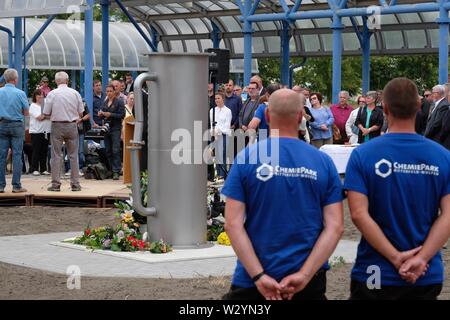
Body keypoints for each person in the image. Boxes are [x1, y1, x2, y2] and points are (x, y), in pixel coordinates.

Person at [221, 89, 344, 300]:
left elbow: (232, 224)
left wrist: (259, 276)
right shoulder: (323, 162)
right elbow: (336, 226)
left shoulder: (247, 158)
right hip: (309, 280)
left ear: (267, 116)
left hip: (253, 280)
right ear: (300, 117)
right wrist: (305, 275)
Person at [344, 77, 450, 300]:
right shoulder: (442, 156)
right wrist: (422, 258)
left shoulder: (363, 154)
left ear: (386, 108)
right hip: (425, 272)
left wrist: (394, 257)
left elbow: (358, 214)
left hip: (374, 271)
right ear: (419, 107)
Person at [43, 71, 84, 192]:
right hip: (72, 125)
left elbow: (46, 113)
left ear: (56, 81)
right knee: (73, 155)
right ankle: (75, 184)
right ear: (67, 81)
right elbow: (81, 112)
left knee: (56, 155)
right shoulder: (75, 93)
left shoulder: (52, 94)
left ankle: (55, 184)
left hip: (57, 126)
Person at [0, 69, 29, 193]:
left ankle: (1, 186)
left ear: (5, 79)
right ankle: (16, 186)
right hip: (17, 125)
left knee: (1, 156)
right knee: (17, 155)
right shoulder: (20, 93)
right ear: (15, 79)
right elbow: (26, 112)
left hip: (2, 124)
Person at [99, 84, 125, 180]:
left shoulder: (119, 102)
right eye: (107, 91)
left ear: (114, 92)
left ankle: (116, 171)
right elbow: (101, 115)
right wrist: (101, 114)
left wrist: (111, 114)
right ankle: (110, 169)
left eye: (111, 91)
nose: (109, 93)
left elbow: (122, 115)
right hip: (107, 129)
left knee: (116, 150)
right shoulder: (105, 102)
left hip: (115, 128)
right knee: (108, 150)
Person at [29, 89, 51, 176]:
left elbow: (51, 116)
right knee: (36, 150)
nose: (41, 97)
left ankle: (43, 169)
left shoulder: (45, 106)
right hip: (36, 132)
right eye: (38, 95)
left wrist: (45, 116)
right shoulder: (33, 106)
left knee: (44, 151)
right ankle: (34, 168)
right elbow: (39, 117)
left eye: (42, 95)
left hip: (46, 131)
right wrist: (46, 116)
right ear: (35, 97)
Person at [210, 92, 232, 179]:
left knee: (222, 155)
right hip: (214, 135)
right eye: (215, 99)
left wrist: (219, 131)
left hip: (224, 135)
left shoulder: (227, 111)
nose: (217, 100)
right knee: (216, 155)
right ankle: (217, 175)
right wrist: (213, 131)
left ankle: (222, 175)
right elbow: (212, 124)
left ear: (223, 99)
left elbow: (227, 126)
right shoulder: (212, 110)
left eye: (218, 98)